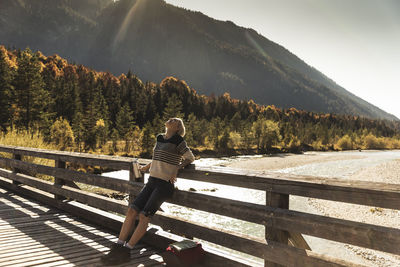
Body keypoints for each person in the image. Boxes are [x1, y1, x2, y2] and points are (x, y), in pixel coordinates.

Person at [101, 118, 195, 265]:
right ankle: (118, 246)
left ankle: (127, 250)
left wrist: (176, 168)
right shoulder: (160, 137)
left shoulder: (178, 140)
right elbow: (158, 158)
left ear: (177, 127)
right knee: (132, 210)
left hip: (164, 185)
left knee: (144, 216)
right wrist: (147, 166)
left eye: (175, 120)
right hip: (152, 181)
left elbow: (190, 157)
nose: (171, 119)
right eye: (171, 118)